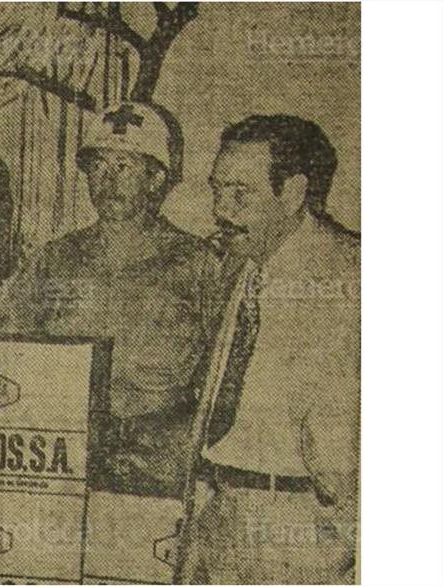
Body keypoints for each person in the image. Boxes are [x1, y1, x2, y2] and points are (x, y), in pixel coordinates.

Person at [0, 102, 227, 497]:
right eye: (98, 168)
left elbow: (229, 375)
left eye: (123, 167)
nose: (108, 183)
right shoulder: (57, 257)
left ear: (156, 178)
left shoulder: (197, 264)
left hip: (163, 462)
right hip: (66, 457)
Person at [178, 115, 359, 584]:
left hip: (300, 535)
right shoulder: (248, 266)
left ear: (294, 192)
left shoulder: (354, 275)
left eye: (241, 193)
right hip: (222, 514)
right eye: (217, 190)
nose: (221, 209)